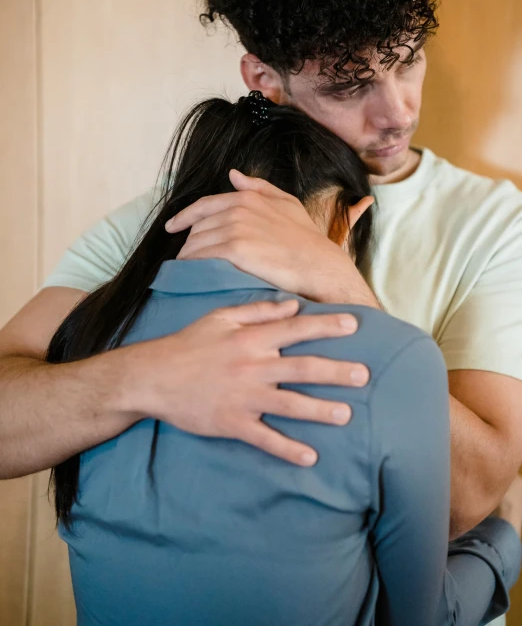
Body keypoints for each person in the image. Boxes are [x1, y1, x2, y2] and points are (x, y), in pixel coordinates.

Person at [0, 0, 521, 599]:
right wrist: (149, 376)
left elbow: (473, 494)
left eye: (408, 59)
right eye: (349, 84)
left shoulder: (490, 219)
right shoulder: (167, 220)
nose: (397, 111)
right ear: (264, 79)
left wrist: (336, 280)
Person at [48, 92, 521, 626]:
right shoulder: (394, 358)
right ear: (349, 221)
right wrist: (501, 541)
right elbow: (422, 616)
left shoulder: (84, 334)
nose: (398, 110)